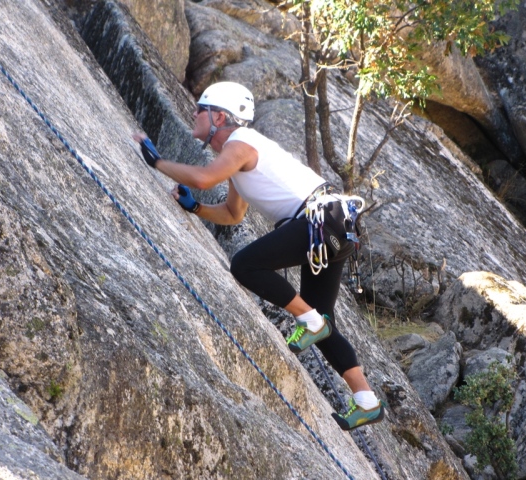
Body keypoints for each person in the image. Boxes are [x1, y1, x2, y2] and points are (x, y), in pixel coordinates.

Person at [134, 81, 384, 431]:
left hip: (318, 220)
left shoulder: (241, 143)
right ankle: (366, 401)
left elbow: (205, 178)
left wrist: (158, 162)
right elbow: (234, 213)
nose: (194, 113)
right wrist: (196, 209)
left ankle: (310, 321)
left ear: (219, 116)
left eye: (200, 109)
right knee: (323, 318)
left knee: (246, 265)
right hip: (331, 225)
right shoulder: (237, 157)